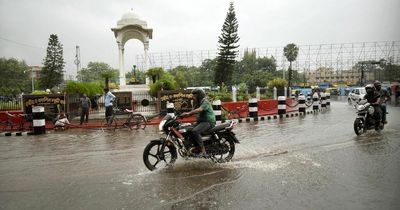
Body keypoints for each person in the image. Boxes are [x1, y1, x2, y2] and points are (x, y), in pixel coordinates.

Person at [181, 88, 216, 157]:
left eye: (194, 96)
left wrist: (188, 113)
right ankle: (194, 148)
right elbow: (192, 111)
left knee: (195, 131)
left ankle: (203, 151)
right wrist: (182, 115)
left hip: (208, 121)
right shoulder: (197, 103)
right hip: (201, 122)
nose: (193, 98)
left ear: (199, 96)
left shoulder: (205, 101)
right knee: (187, 129)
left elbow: (200, 110)